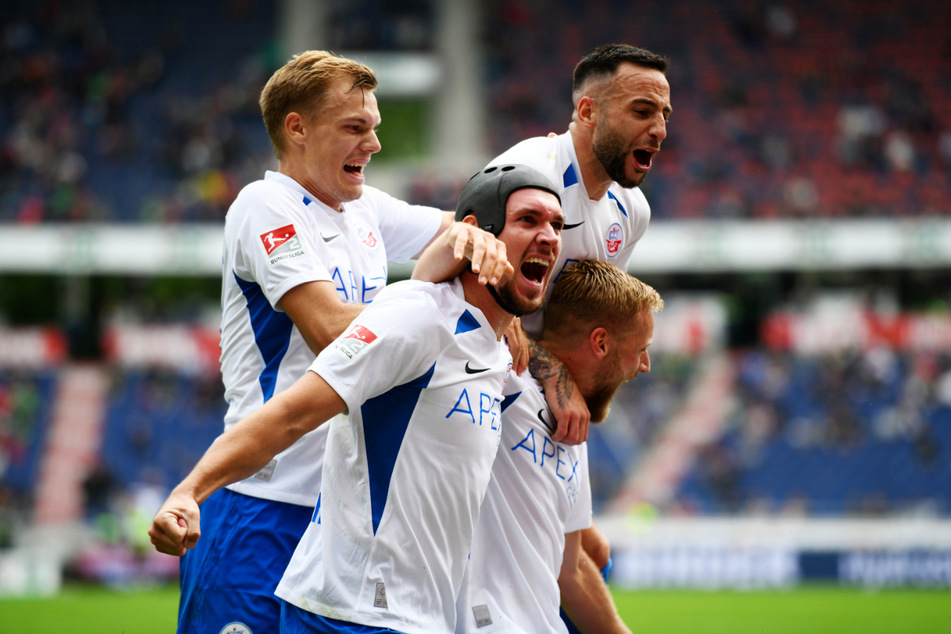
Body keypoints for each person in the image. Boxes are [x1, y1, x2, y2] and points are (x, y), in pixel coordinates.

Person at [149, 163, 564, 634]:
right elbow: (289, 415)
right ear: (477, 235)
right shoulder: (418, 316)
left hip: (421, 619)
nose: (549, 235)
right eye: (529, 220)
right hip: (355, 615)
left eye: (556, 224)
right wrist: (190, 491)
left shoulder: (495, 349)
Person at [176, 50, 509, 634]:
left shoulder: (364, 211)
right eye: (355, 128)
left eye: (374, 127)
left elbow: (468, 231)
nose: (374, 144)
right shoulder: (264, 205)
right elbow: (331, 329)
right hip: (262, 498)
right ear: (297, 128)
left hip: (337, 522)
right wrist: (429, 291)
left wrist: (486, 256)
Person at [455, 260, 663, 634]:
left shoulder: (573, 421)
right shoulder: (504, 382)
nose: (644, 365)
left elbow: (573, 569)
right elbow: (446, 316)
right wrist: (535, 351)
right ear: (600, 342)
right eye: (641, 348)